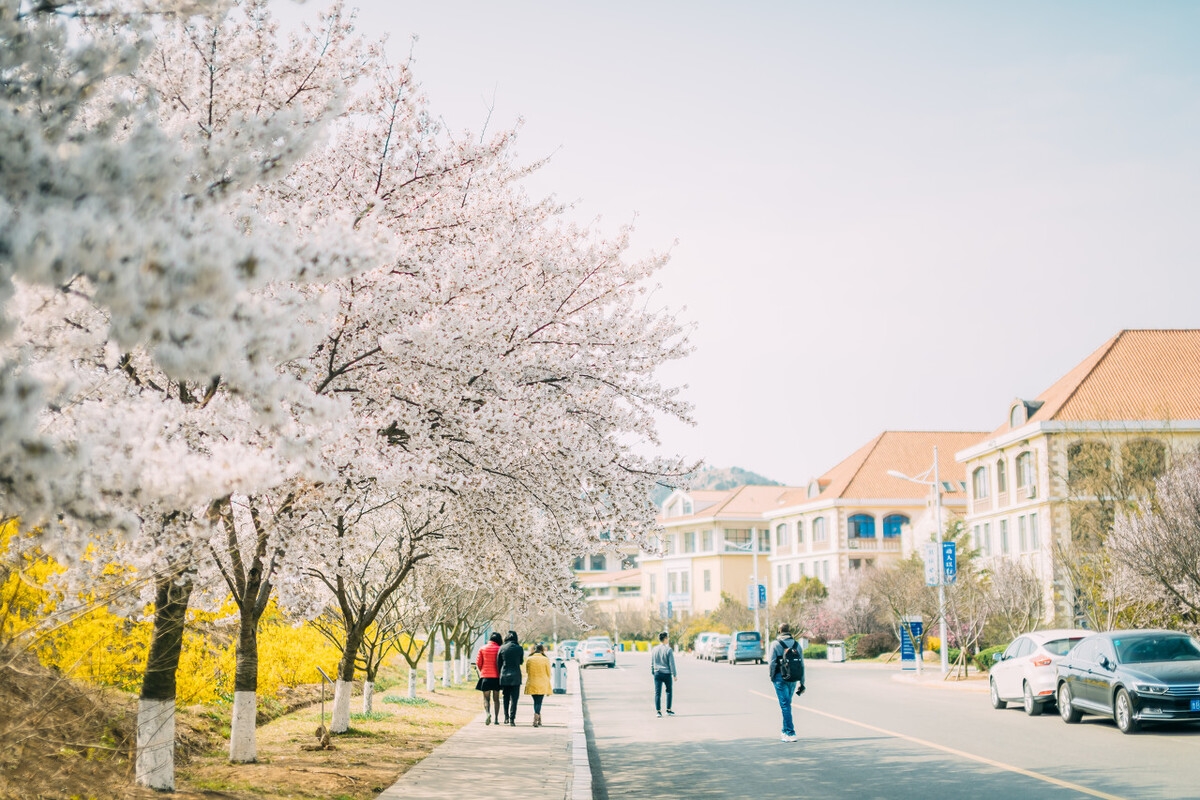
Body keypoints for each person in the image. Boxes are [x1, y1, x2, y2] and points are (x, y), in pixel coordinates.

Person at [767, 622, 804, 742]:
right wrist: (802, 682)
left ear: (779, 631)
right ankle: (784, 731)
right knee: (787, 704)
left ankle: (790, 732)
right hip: (793, 678)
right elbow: (802, 664)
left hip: (780, 678)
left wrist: (772, 677)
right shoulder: (797, 645)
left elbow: (772, 662)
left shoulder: (775, 644)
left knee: (785, 705)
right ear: (790, 631)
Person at [497, 630, 525, 726]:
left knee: (506, 697)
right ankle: (512, 719)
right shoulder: (519, 648)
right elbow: (521, 661)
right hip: (516, 676)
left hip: (504, 675)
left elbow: (498, 663)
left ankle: (506, 717)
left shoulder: (502, 648)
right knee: (514, 699)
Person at [475, 631, 503, 725]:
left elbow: (478, 663)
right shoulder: (500, 649)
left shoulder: (482, 648)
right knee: (496, 699)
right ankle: (496, 719)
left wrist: (482, 670)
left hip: (485, 677)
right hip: (496, 678)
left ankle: (487, 713)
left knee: (486, 698)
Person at [523, 643, 552, 727]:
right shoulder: (545, 659)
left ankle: (538, 718)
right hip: (542, 683)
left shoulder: (529, 659)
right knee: (539, 702)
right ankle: (536, 718)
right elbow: (548, 673)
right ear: (542, 650)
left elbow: (527, 671)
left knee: (536, 701)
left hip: (532, 682)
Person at [650, 631, 677, 717]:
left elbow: (652, 662)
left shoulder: (654, 649)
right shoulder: (668, 650)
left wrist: (653, 671)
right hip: (666, 674)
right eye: (667, 638)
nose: (668, 639)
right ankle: (668, 710)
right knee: (668, 691)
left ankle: (658, 711)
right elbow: (671, 663)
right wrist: (674, 674)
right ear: (665, 639)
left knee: (657, 693)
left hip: (657, 673)